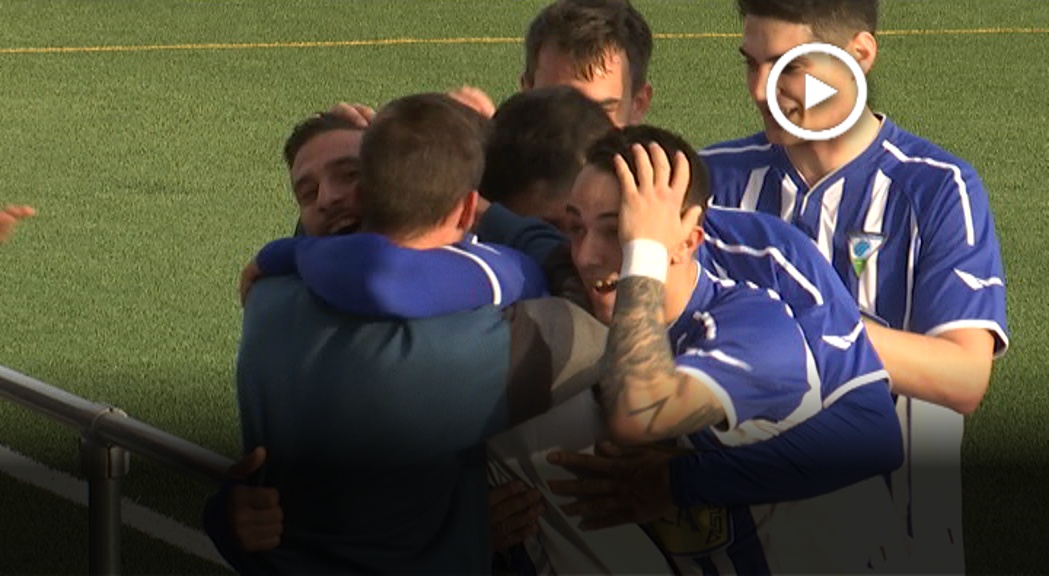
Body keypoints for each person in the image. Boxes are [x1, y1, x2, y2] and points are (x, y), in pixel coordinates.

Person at [205, 93, 611, 574]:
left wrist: (226, 515)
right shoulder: (444, 341)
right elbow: (590, 320)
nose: (328, 197)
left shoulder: (268, 299)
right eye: (307, 192)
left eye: (351, 175)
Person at [701, 0, 1009, 570]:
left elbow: (965, 376)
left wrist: (794, 329)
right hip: (741, 544)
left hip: (898, 546)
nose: (760, 89)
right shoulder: (712, 182)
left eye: (788, 67)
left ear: (858, 55)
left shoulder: (937, 188)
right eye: (751, 63)